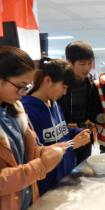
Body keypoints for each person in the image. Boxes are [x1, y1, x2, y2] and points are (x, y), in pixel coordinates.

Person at [0, 42, 64, 210]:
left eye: (27, 86)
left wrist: (42, 153)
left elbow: (20, 154)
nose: (25, 93)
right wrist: (39, 166)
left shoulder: (13, 108)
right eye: (20, 87)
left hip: (23, 209)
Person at [21, 57, 91, 195]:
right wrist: (72, 144)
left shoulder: (54, 103)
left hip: (65, 176)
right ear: (47, 80)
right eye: (63, 87)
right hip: (46, 184)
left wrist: (76, 133)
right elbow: (36, 152)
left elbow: (60, 133)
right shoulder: (27, 110)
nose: (64, 92)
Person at [57, 41, 95, 165]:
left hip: (85, 135)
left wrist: (91, 119)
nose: (87, 68)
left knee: (84, 168)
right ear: (69, 62)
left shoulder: (90, 82)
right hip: (66, 138)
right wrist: (65, 125)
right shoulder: (61, 84)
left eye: (90, 63)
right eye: (82, 64)